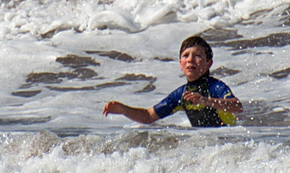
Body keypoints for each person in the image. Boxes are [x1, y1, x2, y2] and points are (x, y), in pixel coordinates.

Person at [103, 34, 242, 127]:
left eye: (197, 56)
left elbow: (237, 106)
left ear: (208, 63)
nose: (190, 60)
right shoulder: (181, 95)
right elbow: (148, 116)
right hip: (206, 147)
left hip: (228, 142)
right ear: (180, 63)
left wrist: (205, 101)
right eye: (185, 55)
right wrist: (123, 109)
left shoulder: (215, 87)